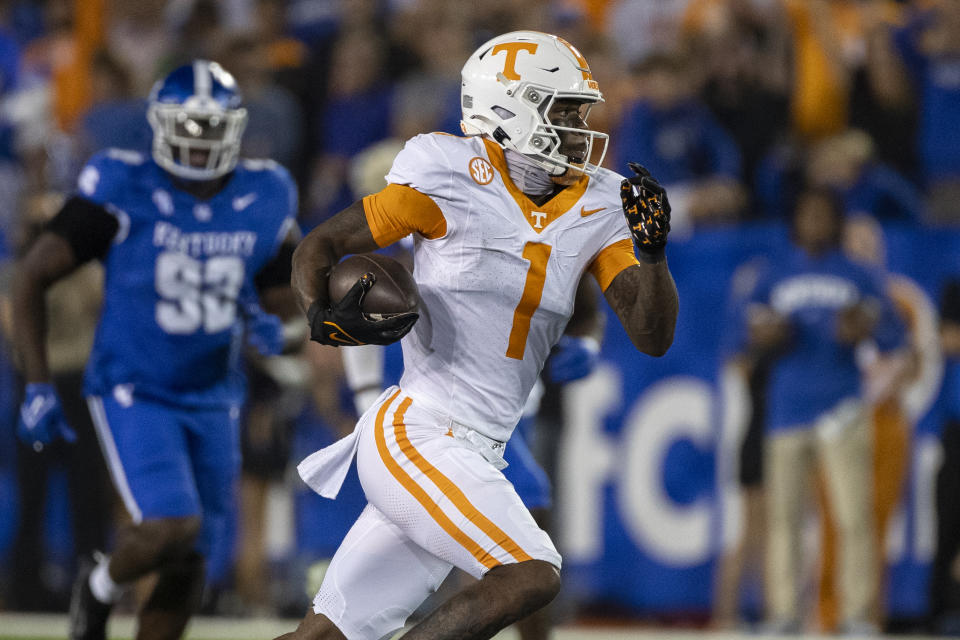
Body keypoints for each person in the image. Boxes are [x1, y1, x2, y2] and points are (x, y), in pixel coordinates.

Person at [280, 30, 678, 640]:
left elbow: (651, 336)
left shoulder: (600, 203)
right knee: (532, 573)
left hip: (478, 446)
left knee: (325, 637)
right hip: (419, 431)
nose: (581, 126)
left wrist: (652, 257)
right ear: (512, 109)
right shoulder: (449, 174)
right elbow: (322, 244)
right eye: (565, 109)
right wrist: (318, 313)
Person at [12, 60, 299, 640]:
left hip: (217, 394)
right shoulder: (123, 185)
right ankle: (99, 586)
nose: (198, 144)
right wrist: (38, 383)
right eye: (187, 128)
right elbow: (32, 277)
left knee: (191, 560)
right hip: (134, 386)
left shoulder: (265, 192)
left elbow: (284, 294)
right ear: (160, 126)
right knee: (172, 524)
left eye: (211, 130)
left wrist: (284, 327)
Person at [744, 187, 905, 633]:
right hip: (787, 409)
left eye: (822, 215)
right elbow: (744, 337)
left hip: (843, 408)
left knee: (855, 517)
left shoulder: (859, 275)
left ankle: (857, 615)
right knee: (784, 520)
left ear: (836, 222)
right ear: (795, 221)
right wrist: (766, 336)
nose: (814, 224)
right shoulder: (773, 273)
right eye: (807, 214)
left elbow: (893, 338)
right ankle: (783, 613)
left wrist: (865, 327)